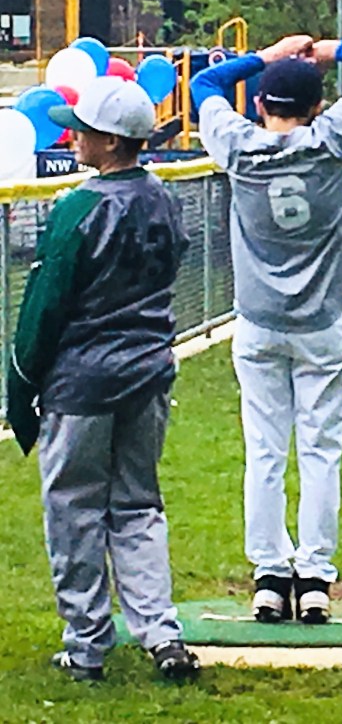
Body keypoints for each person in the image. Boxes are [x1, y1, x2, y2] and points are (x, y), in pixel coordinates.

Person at [190, 34, 342, 624]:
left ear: (260, 104)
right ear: (317, 106)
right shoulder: (332, 138)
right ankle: (314, 578)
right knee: (320, 451)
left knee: (264, 450)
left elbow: (204, 83)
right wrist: (327, 49)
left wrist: (268, 55)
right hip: (321, 324)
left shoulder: (236, 144)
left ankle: (269, 575)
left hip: (258, 324)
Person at [5, 76, 198, 682]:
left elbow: (44, 307)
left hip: (82, 383)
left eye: (83, 130)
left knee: (75, 510)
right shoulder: (165, 197)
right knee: (138, 505)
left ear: (111, 141)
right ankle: (161, 633)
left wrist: (21, 384)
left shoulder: (79, 208)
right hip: (147, 373)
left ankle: (87, 644)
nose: (73, 137)